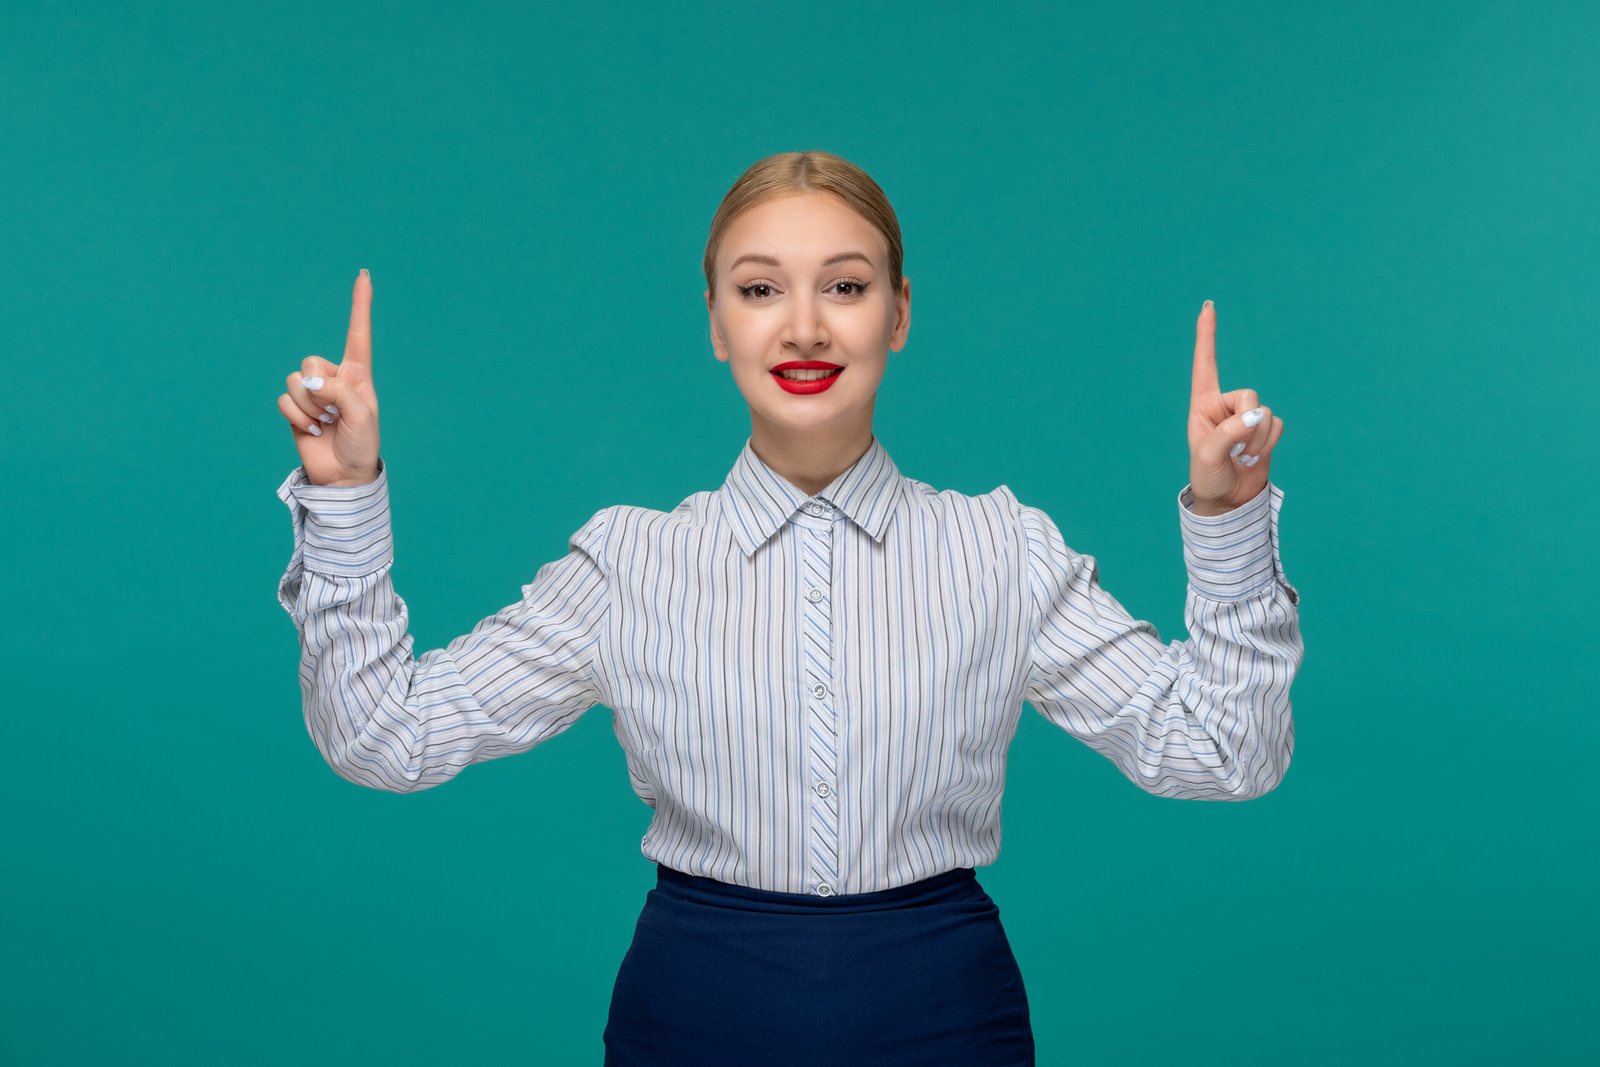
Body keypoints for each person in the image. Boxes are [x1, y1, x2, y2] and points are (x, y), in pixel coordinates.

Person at [273, 150, 1303, 1066]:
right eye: (760, 288)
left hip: (943, 1015)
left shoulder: (1003, 549)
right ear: (716, 322)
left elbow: (1227, 751)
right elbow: (382, 734)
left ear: (898, 312)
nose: (804, 326)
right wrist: (345, 493)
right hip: (691, 1012)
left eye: (845, 286)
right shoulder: (630, 562)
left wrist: (1227, 515)